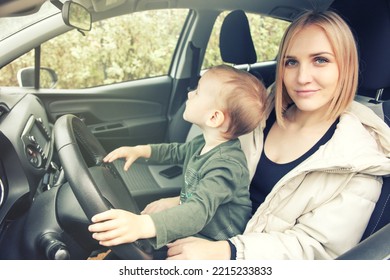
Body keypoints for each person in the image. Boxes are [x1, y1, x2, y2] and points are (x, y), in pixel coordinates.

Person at [165, 10, 390, 260]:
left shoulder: (360, 161)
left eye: (320, 60)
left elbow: (316, 249)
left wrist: (226, 252)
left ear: (346, 66)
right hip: (207, 235)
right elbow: (222, 178)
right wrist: (182, 203)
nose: (302, 78)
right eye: (291, 62)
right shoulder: (259, 114)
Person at [88, 65, 267, 253]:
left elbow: (197, 212)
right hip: (197, 225)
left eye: (197, 92)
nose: (190, 94)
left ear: (214, 117)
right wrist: (140, 150)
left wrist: (142, 225)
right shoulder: (204, 143)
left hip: (213, 239)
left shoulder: (227, 167)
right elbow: (175, 152)